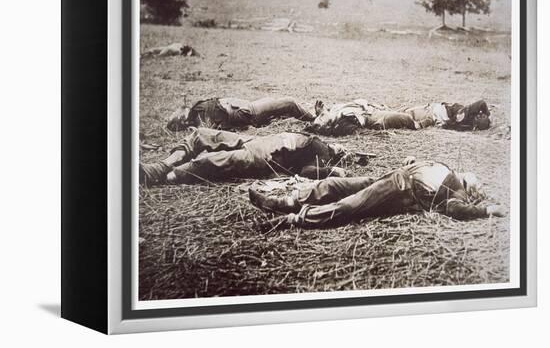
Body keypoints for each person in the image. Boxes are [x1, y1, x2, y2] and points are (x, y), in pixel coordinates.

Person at [248, 157, 504, 230]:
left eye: (474, 183)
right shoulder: (447, 168)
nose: (472, 177)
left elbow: (454, 209)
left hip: (399, 190)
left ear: (469, 188)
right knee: (336, 186)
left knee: (349, 206)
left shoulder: (456, 190)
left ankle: (291, 219)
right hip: (394, 176)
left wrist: (485, 210)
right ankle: (283, 202)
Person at [140, 127, 347, 186]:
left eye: (342, 149)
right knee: (202, 135)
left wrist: (332, 170)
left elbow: (307, 172)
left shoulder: (324, 153)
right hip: (257, 140)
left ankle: (164, 177)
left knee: (212, 161)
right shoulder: (315, 139)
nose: (340, 146)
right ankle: (161, 166)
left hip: (266, 155)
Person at [308, 99, 491, 135]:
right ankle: (418, 124)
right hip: (432, 111)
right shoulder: (464, 113)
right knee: (405, 117)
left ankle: (416, 121)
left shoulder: (339, 109)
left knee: (403, 114)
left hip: (374, 110)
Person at [167, 97, 316, 131]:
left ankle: (310, 116)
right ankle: (316, 120)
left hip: (247, 107)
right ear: (183, 119)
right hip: (250, 111)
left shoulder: (199, 112)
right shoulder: (200, 116)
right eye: (181, 113)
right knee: (289, 103)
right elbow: (213, 127)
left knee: (283, 107)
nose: (184, 108)